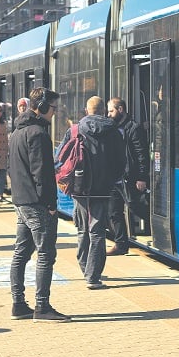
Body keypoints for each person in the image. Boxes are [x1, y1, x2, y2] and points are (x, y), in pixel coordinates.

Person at [8, 87, 70, 322]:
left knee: (21, 252)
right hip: (36, 202)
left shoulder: (17, 132)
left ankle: (18, 304)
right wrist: (50, 204)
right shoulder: (38, 134)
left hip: (21, 200)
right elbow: (42, 174)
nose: (55, 112)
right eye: (53, 108)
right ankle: (42, 307)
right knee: (45, 253)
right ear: (42, 106)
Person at [62, 96, 125, 289]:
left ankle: (85, 269)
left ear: (86, 110)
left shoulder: (75, 130)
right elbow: (120, 161)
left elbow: (61, 157)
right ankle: (93, 275)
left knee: (82, 229)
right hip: (103, 189)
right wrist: (111, 179)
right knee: (97, 232)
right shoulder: (113, 130)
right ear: (103, 111)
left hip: (80, 188)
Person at [105, 97, 149, 256]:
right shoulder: (111, 127)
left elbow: (141, 154)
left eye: (111, 111)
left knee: (135, 206)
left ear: (121, 109)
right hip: (115, 178)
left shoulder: (133, 128)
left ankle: (154, 227)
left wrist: (142, 177)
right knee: (114, 212)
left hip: (129, 178)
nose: (108, 114)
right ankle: (120, 244)